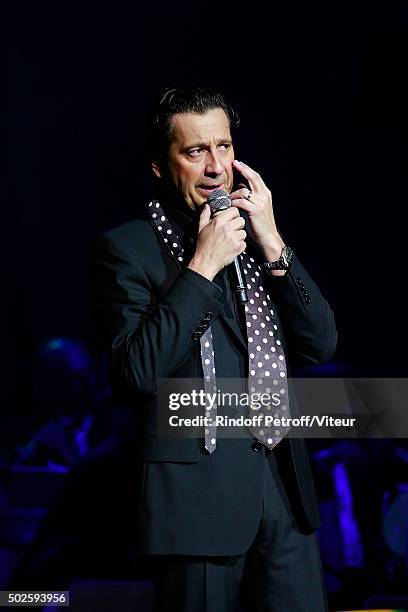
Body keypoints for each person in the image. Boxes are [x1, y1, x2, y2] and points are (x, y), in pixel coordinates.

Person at [88, 86, 338, 612]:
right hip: (197, 504)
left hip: (284, 491)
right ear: (160, 165)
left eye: (223, 147)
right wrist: (201, 268)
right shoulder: (127, 250)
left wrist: (274, 245)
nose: (215, 167)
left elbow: (321, 344)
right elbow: (136, 372)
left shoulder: (256, 242)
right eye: (195, 151)